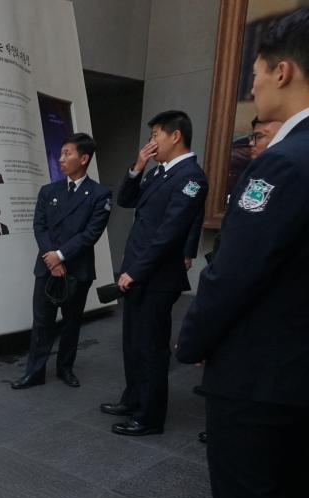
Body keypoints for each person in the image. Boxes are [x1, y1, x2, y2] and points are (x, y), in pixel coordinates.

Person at [175, 10, 309, 498]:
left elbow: (232, 274)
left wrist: (192, 342)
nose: (252, 87)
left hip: (262, 377)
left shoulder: (283, 163)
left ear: (283, 72)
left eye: (254, 74)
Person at [177, 112, 285, 498]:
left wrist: (197, 338)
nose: (253, 144)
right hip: (261, 347)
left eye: (261, 135)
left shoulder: (282, 172)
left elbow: (235, 275)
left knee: (251, 476)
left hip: (258, 354)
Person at [99, 110, 208, 436]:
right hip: (138, 271)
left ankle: (149, 416)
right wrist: (137, 166)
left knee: (151, 348)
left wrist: (135, 271)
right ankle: (133, 399)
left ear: (175, 136)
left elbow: (169, 233)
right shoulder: (160, 173)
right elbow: (126, 200)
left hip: (156, 277)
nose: (151, 142)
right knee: (133, 343)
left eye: (156, 135)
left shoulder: (191, 178)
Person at [11, 133, 111, 389]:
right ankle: (34, 372)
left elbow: (91, 234)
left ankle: (65, 368)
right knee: (42, 322)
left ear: (84, 158)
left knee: (71, 323)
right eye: (62, 153)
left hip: (77, 269)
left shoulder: (100, 194)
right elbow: (39, 226)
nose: (61, 158)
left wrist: (61, 255)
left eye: (67, 153)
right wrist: (53, 259)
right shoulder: (49, 191)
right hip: (47, 267)